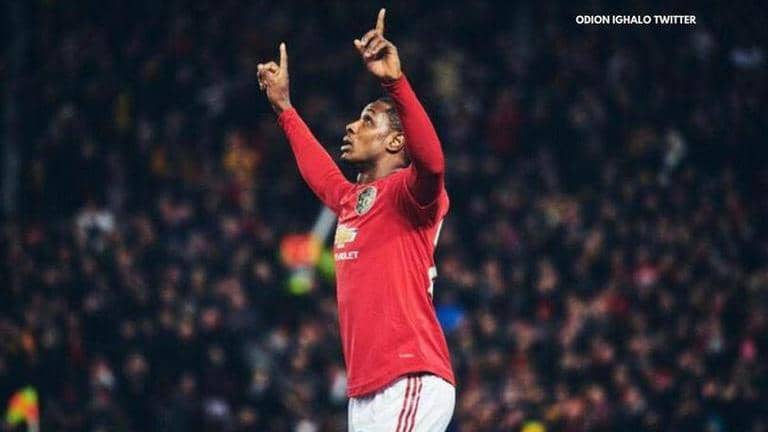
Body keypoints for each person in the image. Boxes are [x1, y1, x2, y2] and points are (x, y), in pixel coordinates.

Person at [257, 8, 455, 431]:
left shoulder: (410, 195)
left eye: (367, 120)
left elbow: (433, 163)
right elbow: (322, 175)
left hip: (409, 374)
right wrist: (284, 109)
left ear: (396, 141)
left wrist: (395, 82)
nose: (350, 126)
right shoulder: (353, 201)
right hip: (364, 388)